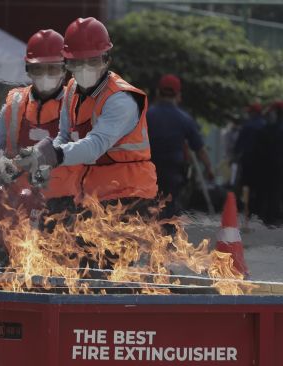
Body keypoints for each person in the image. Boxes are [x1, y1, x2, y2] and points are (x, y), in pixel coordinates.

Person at [14, 17, 159, 271]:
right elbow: (63, 137)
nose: (84, 68)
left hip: (128, 198)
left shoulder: (121, 99)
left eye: (92, 61)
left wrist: (54, 155)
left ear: (106, 59)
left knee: (102, 270)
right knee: (72, 261)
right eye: (77, 62)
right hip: (92, 196)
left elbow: (95, 145)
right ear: (67, 63)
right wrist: (35, 155)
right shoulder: (71, 90)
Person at [0, 29, 75, 264]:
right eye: (38, 68)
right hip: (18, 206)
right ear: (28, 70)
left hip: (62, 204)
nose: (46, 75)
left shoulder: (76, 105)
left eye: (53, 68)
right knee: (12, 273)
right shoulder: (15, 103)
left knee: (58, 272)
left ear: (64, 69)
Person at [146, 74, 213, 219]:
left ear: (158, 92)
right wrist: (208, 168)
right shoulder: (184, 119)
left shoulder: (146, 115)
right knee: (169, 210)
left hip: (148, 171)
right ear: (178, 95)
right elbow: (200, 150)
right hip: (173, 174)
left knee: (149, 209)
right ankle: (169, 238)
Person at [259, 100, 283, 227]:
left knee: (270, 190)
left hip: (267, 163)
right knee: (282, 190)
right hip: (281, 163)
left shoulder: (267, 126)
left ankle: (269, 216)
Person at [235, 102, 266, 219]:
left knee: (244, 184)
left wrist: (236, 154)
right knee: (259, 185)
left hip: (248, 160)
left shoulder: (247, 126)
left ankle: (243, 208)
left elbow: (239, 143)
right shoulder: (265, 125)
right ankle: (258, 209)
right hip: (262, 161)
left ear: (253, 113)